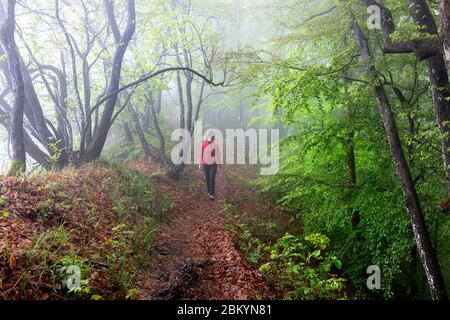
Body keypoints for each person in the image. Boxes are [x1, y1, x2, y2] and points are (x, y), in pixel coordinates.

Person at [199, 134, 221, 200]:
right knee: (207, 178)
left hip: (213, 164)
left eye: (213, 138)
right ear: (208, 138)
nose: (212, 139)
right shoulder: (203, 144)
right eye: (211, 138)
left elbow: (218, 155)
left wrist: (219, 164)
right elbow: (200, 154)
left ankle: (212, 194)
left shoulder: (216, 145)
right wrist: (200, 163)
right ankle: (209, 192)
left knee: (212, 178)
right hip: (205, 164)